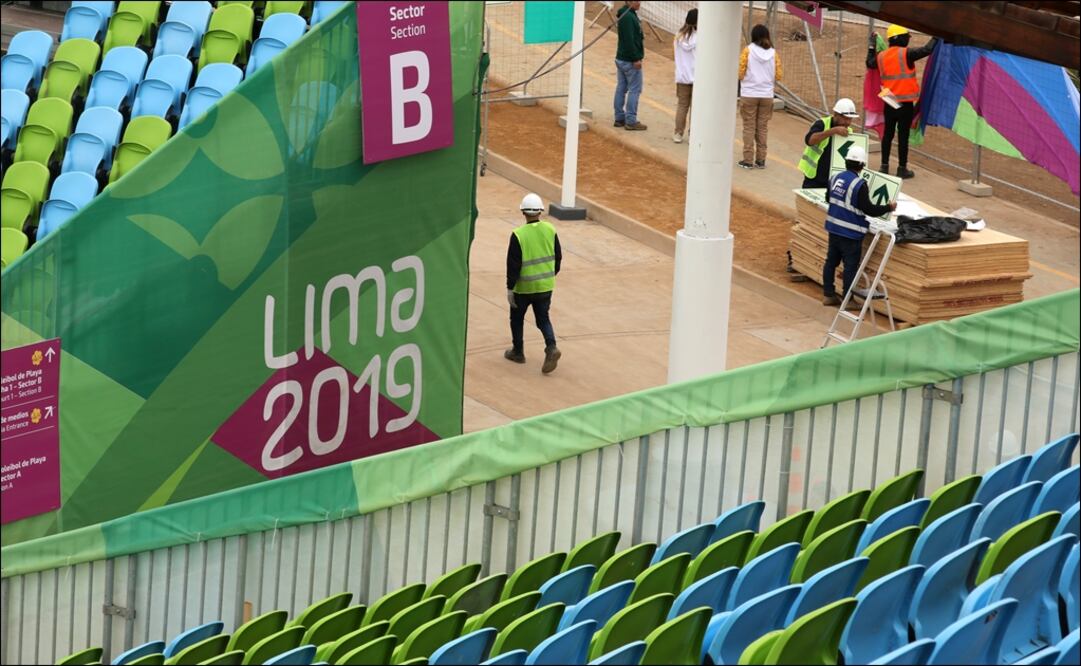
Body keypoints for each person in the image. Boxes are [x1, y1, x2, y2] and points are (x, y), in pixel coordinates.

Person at [821, 146, 897, 306]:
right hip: (851, 233)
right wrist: (887, 207)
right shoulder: (859, 184)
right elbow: (869, 209)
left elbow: (829, 198)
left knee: (831, 262)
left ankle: (828, 295)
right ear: (862, 165)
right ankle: (847, 300)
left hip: (833, 228)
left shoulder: (835, 178)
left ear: (846, 161)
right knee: (850, 267)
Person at [866, 24, 938, 179]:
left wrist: (871, 46)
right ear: (900, 38)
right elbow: (927, 50)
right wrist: (936, 36)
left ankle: (884, 166)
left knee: (888, 134)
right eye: (907, 37)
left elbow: (869, 63)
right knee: (903, 136)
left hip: (889, 100)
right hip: (904, 101)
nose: (908, 40)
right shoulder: (906, 54)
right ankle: (901, 168)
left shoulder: (882, 56)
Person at [505, 193, 563, 373]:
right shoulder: (550, 229)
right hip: (545, 286)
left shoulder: (518, 235)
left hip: (523, 288)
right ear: (540, 211)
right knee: (543, 318)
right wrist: (549, 276)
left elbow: (513, 265)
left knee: (516, 319)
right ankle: (551, 346)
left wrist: (510, 288)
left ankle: (518, 352)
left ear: (523, 212)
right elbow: (558, 257)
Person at [738, 24, 782, 168]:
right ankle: (761, 159)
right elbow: (779, 75)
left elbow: (740, 72)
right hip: (767, 95)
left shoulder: (748, 51)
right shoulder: (773, 53)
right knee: (762, 127)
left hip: (749, 93)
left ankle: (748, 159)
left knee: (749, 127)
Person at [799, 98, 860, 189]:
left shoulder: (848, 132)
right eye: (845, 118)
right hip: (814, 178)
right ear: (835, 115)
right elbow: (810, 141)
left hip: (833, 180)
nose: (847, 122)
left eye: (850, 119)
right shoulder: (822, 124)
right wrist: (832, 131)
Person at [614, 0, 647, 131]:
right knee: (634, 89)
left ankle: (619, 117)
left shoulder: (627, 14)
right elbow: (629, 40)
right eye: (636, 0)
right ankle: (631, 120)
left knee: (621, 88)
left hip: (621, 58)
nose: (639, 3)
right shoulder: (628, 17)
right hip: (629, 60)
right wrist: (636, 59)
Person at [672, 8, 697, 143]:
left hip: (682, 76)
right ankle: (693, 134)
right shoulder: (701, 38)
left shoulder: (678, 36)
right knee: (695, 108)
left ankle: (678, 133)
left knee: (682, 106)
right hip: (697, 77)